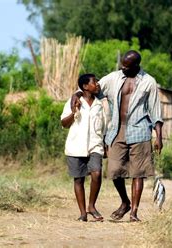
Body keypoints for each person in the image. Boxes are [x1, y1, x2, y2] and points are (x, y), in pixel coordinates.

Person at [71, 50, 163, 222]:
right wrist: (75, 96)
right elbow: (89, 88)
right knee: (115, 171)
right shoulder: (113, 77)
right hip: (116, 130)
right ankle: (125, 201)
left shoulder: (149, 82)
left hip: (140, 130)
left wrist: (158, 136)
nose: (123, 68)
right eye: (122, 64)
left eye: (127, 66)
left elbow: (156, 110)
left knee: (138, 172)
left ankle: (134, 212)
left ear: (136, 66)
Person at [61, 73, 107, 222]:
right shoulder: (73, 101)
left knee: (97, 173)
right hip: (76, 145)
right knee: (79, 180)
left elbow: (105, 126)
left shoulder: (100, 104)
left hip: (95, 145)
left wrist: (105, 143)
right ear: (86, 86)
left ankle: (92, 206)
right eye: (95, 82)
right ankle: (83, 213)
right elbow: (64, 123)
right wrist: (74, 111)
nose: (98, 84)